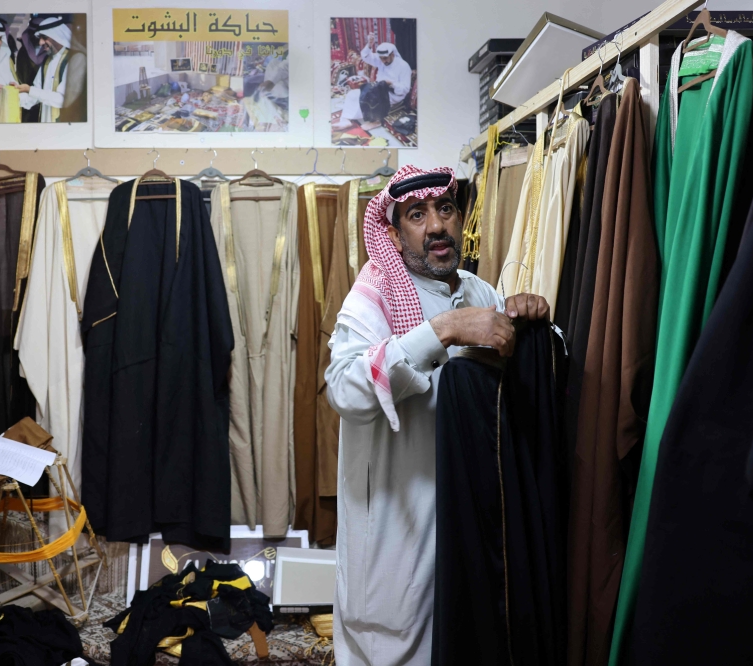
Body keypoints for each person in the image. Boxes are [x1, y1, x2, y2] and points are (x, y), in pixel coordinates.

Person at [325, 165, 549, 665]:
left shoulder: (478, 291)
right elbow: (342, 388)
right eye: (416, 215)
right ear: (394, 230)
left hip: (460, 523)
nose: (435, 227)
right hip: (394, 532)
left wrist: (526, 315)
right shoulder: (371, 297)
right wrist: (443, 330)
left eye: (444, 209)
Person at [333, 35, 412, 132]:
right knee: (353, 94)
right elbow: (366, 56)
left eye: (386, 58)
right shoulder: (381, 60)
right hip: (377, 88)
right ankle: (345, 120)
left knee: (368, 96)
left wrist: (391, 83)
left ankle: (377, 121)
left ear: (392, 54)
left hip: (393, 94)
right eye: (381, 58)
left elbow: (405, 89)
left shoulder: (404, 66)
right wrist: (369, 45)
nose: (383, 61)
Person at [17, 16, 85, 123]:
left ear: (57, 36)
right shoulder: (47, 61)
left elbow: (64, 100)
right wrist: (11, 95)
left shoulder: (76, 59)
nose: (40, 43)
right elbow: (36, 94)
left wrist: (29, 90)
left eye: (44, 37)